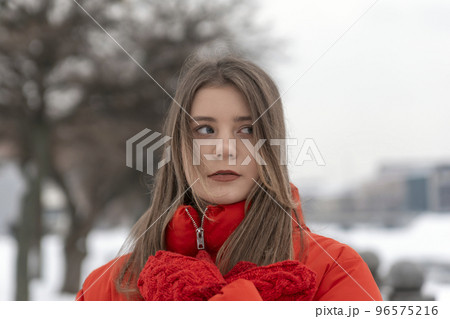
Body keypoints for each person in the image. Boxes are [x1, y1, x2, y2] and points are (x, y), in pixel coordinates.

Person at [76, 54, 383, 301]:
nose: (225, 150)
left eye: (247, 130)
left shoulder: (335, 271)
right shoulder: (108, 287)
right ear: (179, 147)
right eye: (205, 130)